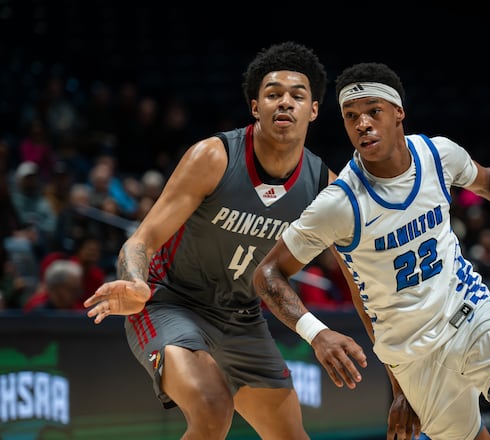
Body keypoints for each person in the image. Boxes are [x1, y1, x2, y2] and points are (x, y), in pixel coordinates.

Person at [253, 61, 490, 440]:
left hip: (471, 314)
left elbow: (489, 182)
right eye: (351, 116)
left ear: (399, 113)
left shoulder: (438, 155)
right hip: (413, 355)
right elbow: (267, 274)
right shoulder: (339, 204)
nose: (362, 123)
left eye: (372, 112)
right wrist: (319, 334)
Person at [83, 42, 365, 439]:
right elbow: (141, 240)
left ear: (314, 110)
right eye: (273, 94)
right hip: (169, 301)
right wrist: (135, 282)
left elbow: (362, 278)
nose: (285, 102)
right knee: (213, 409)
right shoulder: (213, 157)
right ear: (255, 106)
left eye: (297, 95)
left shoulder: (324, 187)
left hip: (241, 316)